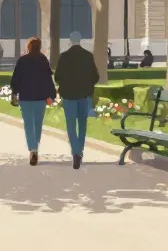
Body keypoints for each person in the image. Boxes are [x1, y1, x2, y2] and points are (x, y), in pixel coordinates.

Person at [54, 33, 100, 169]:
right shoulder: (88, 56)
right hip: (84, 95)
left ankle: (76, 152)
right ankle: (80, 151)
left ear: (70, 41)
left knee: (71, 125)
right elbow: (95, 77)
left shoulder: (64, 56)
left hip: (68, 95)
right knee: (82, 125)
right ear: (80, 40)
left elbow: (57, 77)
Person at [8, 38, 57, 166]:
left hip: (26, 97)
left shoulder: (22, 60)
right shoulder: (43, 60)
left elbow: (15, 79)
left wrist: (14, 93)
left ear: (29, 46)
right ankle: (35, 147)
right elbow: (48, 79)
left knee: (28, 125)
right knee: (38, 124)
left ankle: (33, 149)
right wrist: (52, 95)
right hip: (40, 98)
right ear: (39, 47)